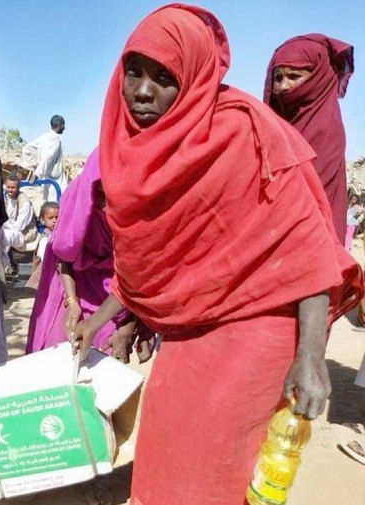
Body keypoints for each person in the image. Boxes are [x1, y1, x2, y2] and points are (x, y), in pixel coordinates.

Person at [70, 5, 363, 504]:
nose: (143, 91)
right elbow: (157, 262)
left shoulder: (245, 132)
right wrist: (99, 319)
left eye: (165, 77)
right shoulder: (136, 153)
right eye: (134, 72)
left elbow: (310, 251)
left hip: (260, 321)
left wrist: (312, 359)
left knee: (210, 470)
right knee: (165, 448)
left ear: (194, 78)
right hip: (190, 326)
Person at [27, 150, 153, 363]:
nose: (105, 207)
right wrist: (71, 302)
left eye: (115, 198)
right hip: (70, 287)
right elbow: (64, 255)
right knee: (54, 357)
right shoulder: (77, 197)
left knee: (106, 367)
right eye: (100, 196)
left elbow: (142, 275)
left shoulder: (144, 212)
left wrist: (128, 326)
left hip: (119, 300)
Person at [264, 34, 354, 242]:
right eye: (278, 78)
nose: (284, 86)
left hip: (306, 239)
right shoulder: (276, 125)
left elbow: (299, 195)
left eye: (294, 77)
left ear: (317, 80)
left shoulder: (324, 130)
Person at [0, 171, 37, 275]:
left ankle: (5, 267)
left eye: (13, 187)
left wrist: (3, 226)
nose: (10, 190)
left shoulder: (24, 202)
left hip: (23, 235)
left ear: (18, 188)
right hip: (9, 229)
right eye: (8, 187)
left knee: (5, 235)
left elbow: (19, 226)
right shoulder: (6, 197)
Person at [22, 115, 68, 202]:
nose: (64, 127)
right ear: (59, 125)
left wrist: (33, 165)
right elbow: (48, 157)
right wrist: (37, 173)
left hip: (45, 180)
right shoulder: (55, 139)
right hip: (55, 182)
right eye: (63, 125)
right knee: (57, 206)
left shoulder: (44, 137)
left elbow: (26, 149)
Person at [25, 200, 59, 290]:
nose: (54, 221)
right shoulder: (44, 239)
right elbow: (46, 260)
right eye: (50, 218)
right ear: (42, 219)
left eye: (57, 217)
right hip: (47, 278)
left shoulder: (58, 235)